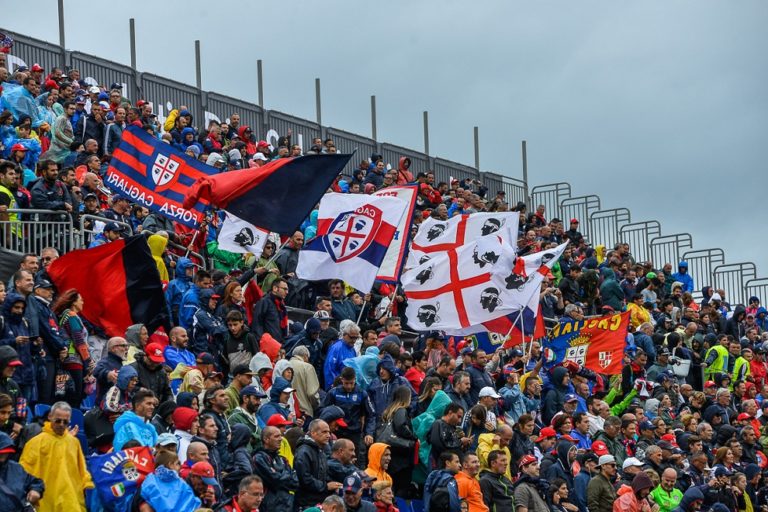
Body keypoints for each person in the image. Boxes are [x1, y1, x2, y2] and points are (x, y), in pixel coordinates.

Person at [19, 401, 94, 511]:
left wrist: (87, 485)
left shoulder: (74, 442)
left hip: (70, 498)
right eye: (58, 421)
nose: (61, 425)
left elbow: (81, 469)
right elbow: (25, 469)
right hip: (46, 498)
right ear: (50, 416)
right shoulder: (36, 442)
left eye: (66, 422)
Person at [294, 419, 341, 510]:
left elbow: (322, 475)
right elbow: (304, 479)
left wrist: (333, 485)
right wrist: (326, 486)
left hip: (317, 502)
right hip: (306, 504)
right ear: (313, 433)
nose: (328, 435)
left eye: (329, 432)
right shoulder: (304, 451)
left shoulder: (320, 451)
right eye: (324, 432)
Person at [252, 425, 299, 510]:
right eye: (277, 436)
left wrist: (279, 475)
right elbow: (274, 480)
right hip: (270, 506)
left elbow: (295, 482)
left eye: (281, 435)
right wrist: (286, 475)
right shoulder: (259, 458)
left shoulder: (282, 459)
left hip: (287, 505)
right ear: (266, 439)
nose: (281, 439)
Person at [0, 431, 44, 511]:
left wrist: (36, 490)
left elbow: (35, 481)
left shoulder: (16, 468)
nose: (3, 455)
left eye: (5, 452)